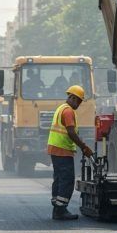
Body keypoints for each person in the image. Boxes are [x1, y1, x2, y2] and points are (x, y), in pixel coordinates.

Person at [47, 85, 93, 220]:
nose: (78, 104)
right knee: (67, 180)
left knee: (59, 179)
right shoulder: (68, 111)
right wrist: (84, 147)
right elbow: (71, 132)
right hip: (62, 150)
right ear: (72, 98)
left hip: (55, 149)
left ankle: (57, 208)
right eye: (78, 101)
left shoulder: (61, 108)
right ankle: (61, 210)